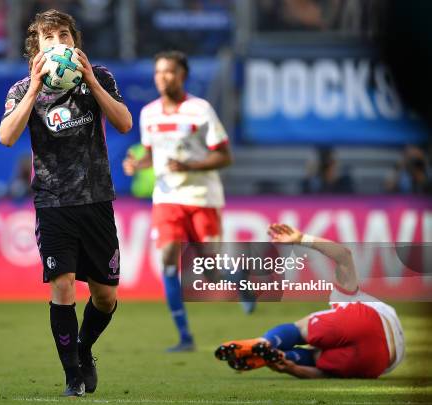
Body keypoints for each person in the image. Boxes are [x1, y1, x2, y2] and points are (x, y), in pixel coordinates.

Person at [0, 9, 132, 397]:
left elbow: (124, 123)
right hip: (53, 201)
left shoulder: (100, 77)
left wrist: (89, 78)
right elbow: (7, 136)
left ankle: (84, 348)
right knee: (64, 287)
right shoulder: (22, 90)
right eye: (49, 38)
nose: (58, 44)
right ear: (36, 49)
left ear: (75, 42)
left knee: (105, 297)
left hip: (96, 199)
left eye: (64, 36)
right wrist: (37, 86)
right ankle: (73, 375)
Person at [123, 50, 243, 353]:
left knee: (208, 271)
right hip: (167, 196)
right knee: (166, 259)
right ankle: (184, 336)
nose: (163, 77)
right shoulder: (148, 113)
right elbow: (151, 154)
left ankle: (239, 279)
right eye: (158, 72)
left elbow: (225, 155)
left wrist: (190, 166)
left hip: (202, 197)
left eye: (170, 72)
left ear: (183, 76)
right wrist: (138, 164)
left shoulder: (200, 110)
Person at [215, 223, 405, 379]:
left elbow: (344, 256)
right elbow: (324, 374)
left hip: (370, 326)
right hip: (378, 362)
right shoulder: (346, 297)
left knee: (303, 335)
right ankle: (281, 356)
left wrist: (300, 239)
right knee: (318, 358)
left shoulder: (344, 297)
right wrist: (292, 369)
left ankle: (266, 342)